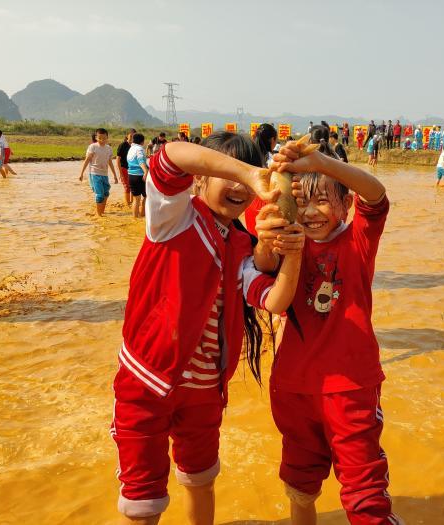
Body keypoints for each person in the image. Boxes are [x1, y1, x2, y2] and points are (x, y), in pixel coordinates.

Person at [112, 132, 305, 525]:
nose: (240, 188)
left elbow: (273, 301)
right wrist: (250, 173)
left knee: (201, 480)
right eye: (229, 175)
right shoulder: (173, 217)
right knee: (143, 502)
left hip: (204, 393)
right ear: (200, 177)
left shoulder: (240, 243)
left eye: (249, 180)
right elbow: (170, 156)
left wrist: (290, 251)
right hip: (147, 384)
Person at [265, 138, 402, 525]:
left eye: (323, 200)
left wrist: (322, 162)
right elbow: (262, 218)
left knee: (364, 492)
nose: (310, 212)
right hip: (292, 387)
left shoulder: (358, 240)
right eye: (302, 202)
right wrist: (280, 171)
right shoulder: (286, 242)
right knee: (299, 483)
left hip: (350, 388)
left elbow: (376, 195)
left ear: (346, 204)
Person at [79, 128, 119, 217]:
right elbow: (87, 160)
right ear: (96, 137)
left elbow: (110, 162)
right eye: (100, 138)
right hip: (94, 174)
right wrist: (81, 173)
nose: (102, 140)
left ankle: (102, 212)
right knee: (100, 195)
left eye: (104, 138)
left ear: (107, 137)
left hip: (104, 174)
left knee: (106, 193)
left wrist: (115, 175)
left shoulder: (108, 148)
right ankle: (99, 215)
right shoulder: (93, 147)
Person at [127, 133, 149, 218]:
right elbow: (141, 161)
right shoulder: (140, 149)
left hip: (131, 175)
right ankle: (143, 214)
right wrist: (146, 171)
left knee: (136, 199)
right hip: (140, 175)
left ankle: (135, 218)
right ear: (142, 142)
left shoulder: (131, 148)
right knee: (146, 196)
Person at [116, 131, 134, 206]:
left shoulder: (134, 146)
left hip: (132, 169)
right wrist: (120, 172)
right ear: (127, 136)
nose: (132, 138)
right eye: (131, 136)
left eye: (134, 136)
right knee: (127, 186)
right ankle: (127, 204)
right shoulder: (123, 145)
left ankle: (132, 202)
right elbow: (117, 159)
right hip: (124, 168)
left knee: (132, 186)